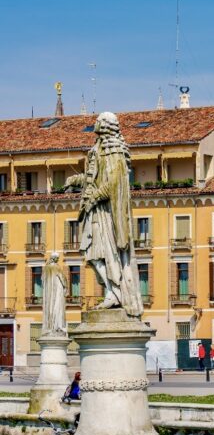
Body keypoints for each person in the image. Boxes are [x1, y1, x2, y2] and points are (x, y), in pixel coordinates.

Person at [65, 111, 143, 317]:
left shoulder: (114, 150)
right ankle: (111, 292)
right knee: (92, 254)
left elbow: (113, 184)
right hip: (97, 210)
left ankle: (114, 294)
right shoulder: (100, 148)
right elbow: (95, 178)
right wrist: (75, 180)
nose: (95, 123)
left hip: (107, 213)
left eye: (98, 121)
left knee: (103, 254)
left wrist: (93, 199)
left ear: (106, 125)